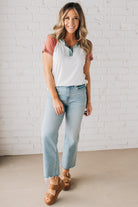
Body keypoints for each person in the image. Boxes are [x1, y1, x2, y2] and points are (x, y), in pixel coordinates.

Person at [41, 2, 93, 205]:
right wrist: (55, 97)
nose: (71, 22)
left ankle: (65, 172)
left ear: (80, 21)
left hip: (79, 94)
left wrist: (90, 100)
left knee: (72, 137)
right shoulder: (53, 40)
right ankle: (54, 181)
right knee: (47, 134)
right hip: (58, 93)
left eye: (75, 18)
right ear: (62, 20)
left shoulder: (86, 44)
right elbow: (47, 72)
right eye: (67, 18)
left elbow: (87, 74)